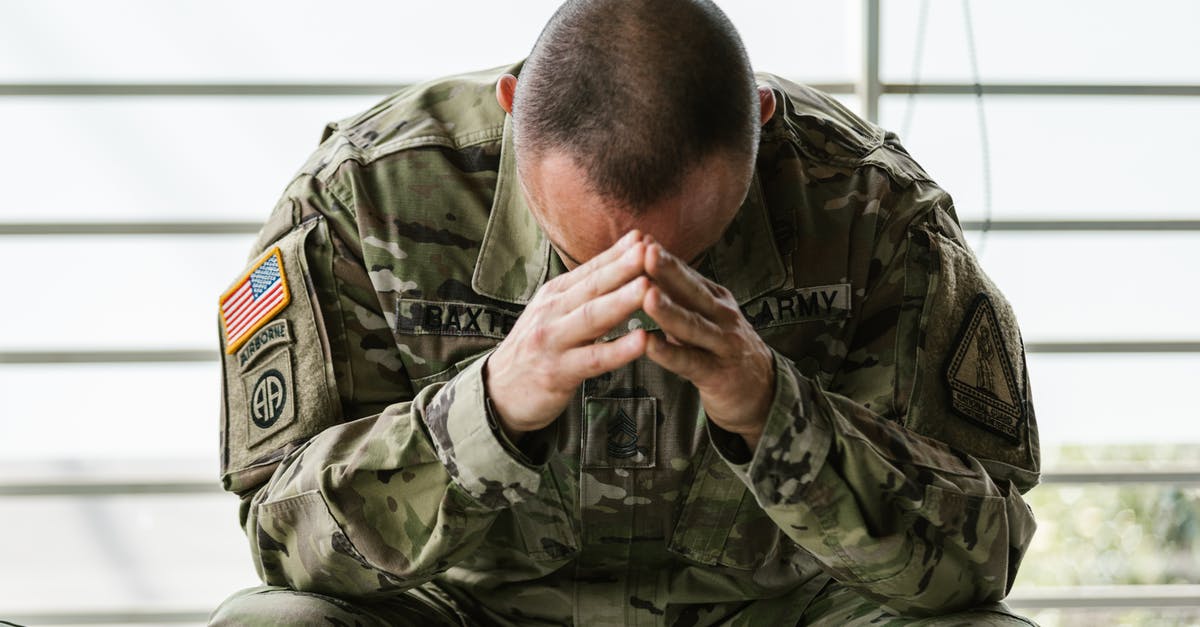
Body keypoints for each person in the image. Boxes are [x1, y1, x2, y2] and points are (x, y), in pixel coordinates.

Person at [210, 1, 1041, 625]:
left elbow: (982, 550)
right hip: (470, 612)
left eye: (686, 252)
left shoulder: (872, 210)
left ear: (761, 125)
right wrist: (488, 408)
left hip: (775, 612)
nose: (630, 285)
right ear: (511, 108)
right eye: (578, 250)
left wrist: (774, 412)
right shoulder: (364, 197)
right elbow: (285, 538)